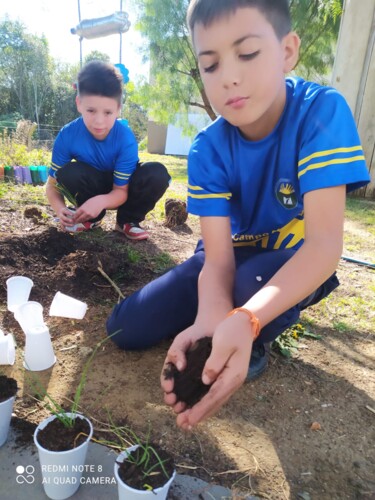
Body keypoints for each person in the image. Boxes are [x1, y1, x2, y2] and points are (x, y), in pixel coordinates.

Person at [106, 0, 370, 428]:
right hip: (226, 258)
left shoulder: (321, 113)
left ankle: (258, 332)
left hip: (291, 258)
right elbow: (217, 259)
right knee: (125, 328)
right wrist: (210, 320)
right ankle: (223, 317)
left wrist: (245, 320)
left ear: (287, 51)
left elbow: (324, 245)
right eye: (210, 65)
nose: (229, 76)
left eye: (247, 54)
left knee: (250, 287)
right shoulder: (207, 148)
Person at [46, 60, 171, 240]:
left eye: (107, 112)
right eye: (91, 110)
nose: (99, 121)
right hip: (92, 182)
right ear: (79, 103)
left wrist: (101, 201)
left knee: (157, 173)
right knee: (68, 172)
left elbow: (120, 191)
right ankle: (90, 217)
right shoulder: (67, 135)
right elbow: (52, 185)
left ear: (118, 109)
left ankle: (127, 221)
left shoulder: (125, 138)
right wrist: (60, 209)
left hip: (123, 186)